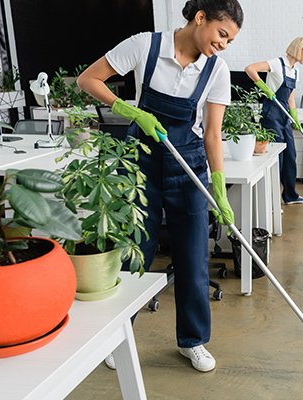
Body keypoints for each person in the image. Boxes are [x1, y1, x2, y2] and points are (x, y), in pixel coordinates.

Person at [78, 0, 243, 373]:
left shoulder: (217, 69)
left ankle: (193, 341)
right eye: (222, 34)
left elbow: (213, 135)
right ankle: (116, 334)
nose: (224, 45)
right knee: (135, 253)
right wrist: (130, 110)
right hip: (141, 165)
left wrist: (218, 188)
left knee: (193, 257)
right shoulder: (145, 46)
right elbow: (88, 79)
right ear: (200, 18)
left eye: (230, 40)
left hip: (189, 168)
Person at [245, 37, 303, 205]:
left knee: (290, 155)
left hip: (284, 115)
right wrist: (264, 88)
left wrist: (295, 116)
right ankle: (272, 202)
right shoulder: (276, 63)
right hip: (271, 114)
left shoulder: (295, 70)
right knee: (277, 158)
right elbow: (250, 69)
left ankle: (290, 195)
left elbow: (290, 97)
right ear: (299, 49)